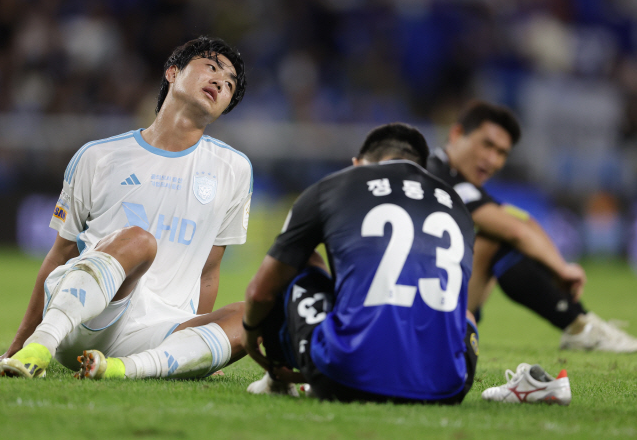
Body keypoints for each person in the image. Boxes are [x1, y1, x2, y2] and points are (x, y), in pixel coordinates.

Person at [0, 36, 253, 379]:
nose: (221, 81)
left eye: (230, 84)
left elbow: (209, 272)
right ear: (173, 73)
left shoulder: (234, 169)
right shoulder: (98, 157)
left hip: (157, 334)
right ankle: (40, 346)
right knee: (138, 240)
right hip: (85, 324)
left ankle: (118, 370)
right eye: (212, 68)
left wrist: (195, 340)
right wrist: (18, 344)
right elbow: (60, 254)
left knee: (254, 317)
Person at [242, 123, 480, 403]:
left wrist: (250, 336)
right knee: (465, 316)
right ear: (421, 171)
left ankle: (277, 378)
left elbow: (261, 292)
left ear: (357, 164)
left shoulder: (332, 186)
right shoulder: (456, 204)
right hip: (447, 389)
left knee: (298, 258)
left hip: (345, 379)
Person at [427, 99, 637, 353]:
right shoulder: (439, 176)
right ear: (457, 133)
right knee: (498, 240)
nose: (492, 160)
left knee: (504, 234)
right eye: (487, 145)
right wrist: (562, 269)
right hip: (420, 312)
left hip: (422, 302)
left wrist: (557, 266)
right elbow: (515, 230)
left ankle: (582, 324)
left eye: (502, 153)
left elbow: (522, 221)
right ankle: (580, 328)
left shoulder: (453, 177)